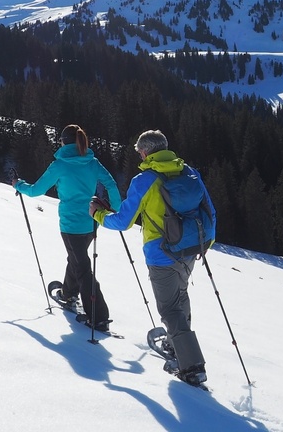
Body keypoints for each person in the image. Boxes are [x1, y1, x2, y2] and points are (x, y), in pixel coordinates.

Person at [91, 129, 215, 386]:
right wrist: (207, 242)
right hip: (192, 247)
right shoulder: (189, 172)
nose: (138, 154)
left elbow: (124, 222)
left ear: (146, 151)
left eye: (139, 151)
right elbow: (209, 210)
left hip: (161, 253)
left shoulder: (145, 180)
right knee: (180, 296)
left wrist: (98, 215)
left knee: (169, 307)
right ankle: (177, 344)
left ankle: (191, 366)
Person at [13, 124, 121, 331]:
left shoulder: (60, 165)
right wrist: (113, 209)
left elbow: (36, 190)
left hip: (70, 224)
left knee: (82, 267)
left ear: (63, 141)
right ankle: (68, 294)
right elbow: (112, 184)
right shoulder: (92, 162)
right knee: (77, 258)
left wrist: (18, 184)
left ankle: (98, 317)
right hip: (91, 221)